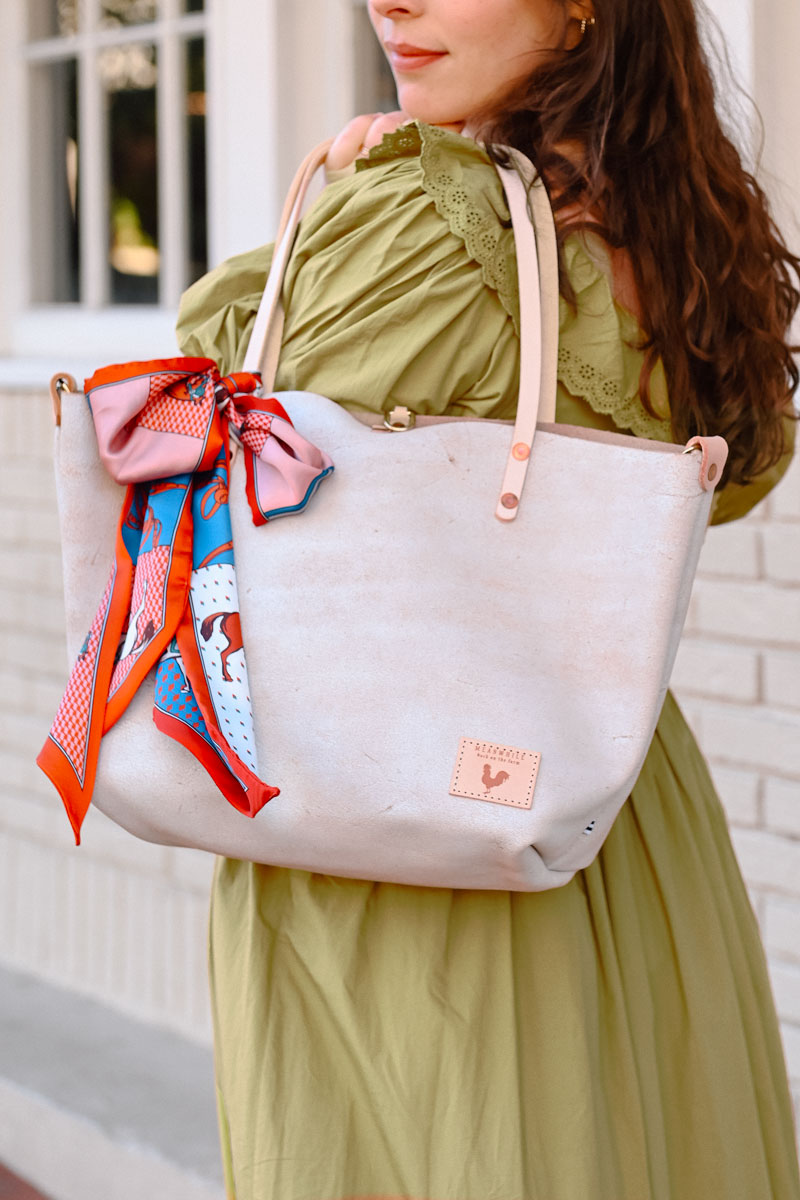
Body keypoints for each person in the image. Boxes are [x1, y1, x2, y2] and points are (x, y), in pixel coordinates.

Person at [177, 1, 800, 1196]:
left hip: (397, 835)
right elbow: (732, 480)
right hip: (606, 808)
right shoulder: (682, 230)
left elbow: (218, 406)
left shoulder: (425, 217)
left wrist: (350, 190)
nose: (390, 4)